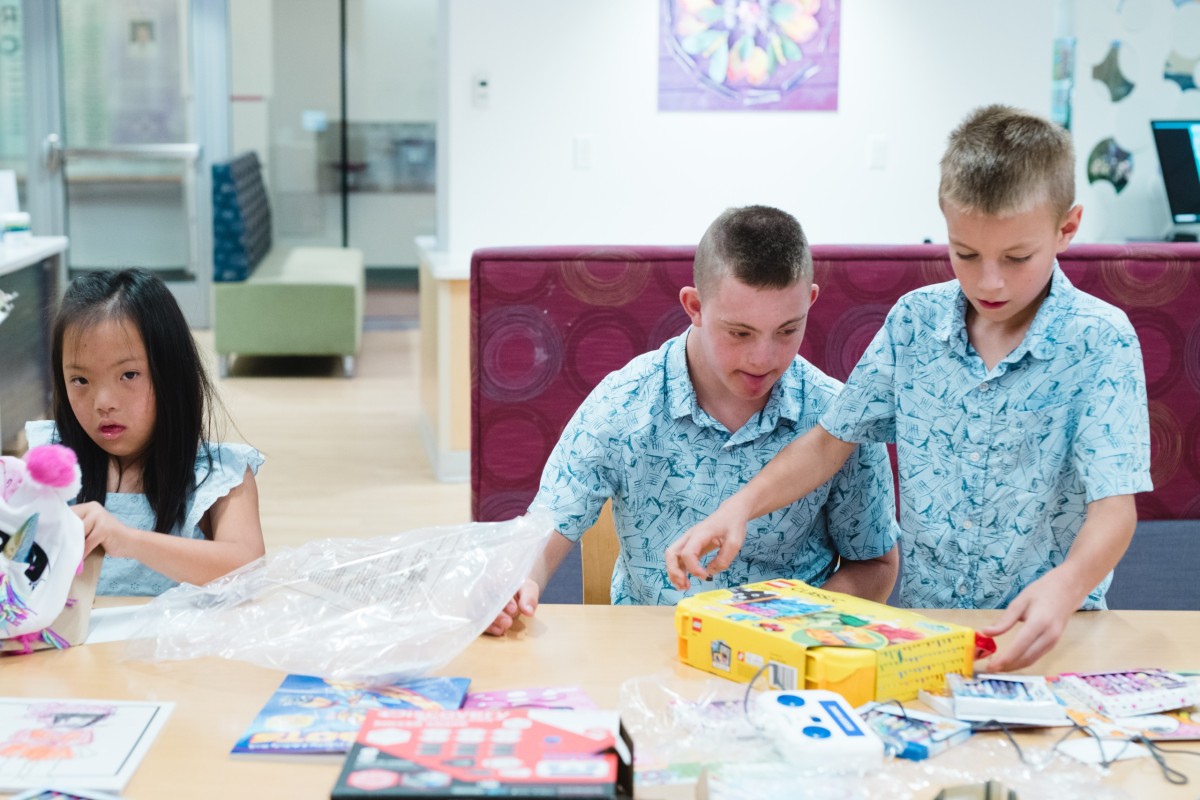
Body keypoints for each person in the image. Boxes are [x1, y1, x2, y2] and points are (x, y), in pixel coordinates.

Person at [665, 105, 1152, 671]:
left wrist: (1066, 588)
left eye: (1017, 258)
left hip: (1054, 630)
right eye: (965, 253)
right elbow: (829, 442)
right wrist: (740, 508)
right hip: (929, 635)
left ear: (1066, 228)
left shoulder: (1101, 341)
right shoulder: (914, 323)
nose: (989, 280)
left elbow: (1115, 509)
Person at [487, 205, 900, 635]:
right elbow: (549, 523)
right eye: (739, 333)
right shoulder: (625, 400)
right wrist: (517, 583)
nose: (763, 358)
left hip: (790, 662)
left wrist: (804, 631)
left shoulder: (837, 417)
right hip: (651, 647)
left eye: (786, 330)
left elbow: (875, 563)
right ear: (695, 306)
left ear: (810, 302)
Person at [26, 268, 266, 596]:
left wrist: (128, 540)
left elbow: (247, 570)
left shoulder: (218, 475)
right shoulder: (51, 464)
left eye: (129, 374)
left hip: (175, 647)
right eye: (80, 380)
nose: (103, 403)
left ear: (171, 371)